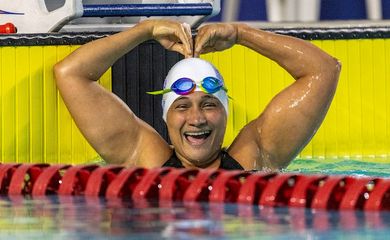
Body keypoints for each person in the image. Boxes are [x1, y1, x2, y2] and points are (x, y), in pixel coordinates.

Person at [54, 19, 340, 171]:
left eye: (209, 104)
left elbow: (324, 69)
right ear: (165, 116)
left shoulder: (255, 158)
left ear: (226, 112)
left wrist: (242, 33)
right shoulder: (143, 157)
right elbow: (71, 73)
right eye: (181, 106)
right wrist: (144, 30)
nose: (196, 119)